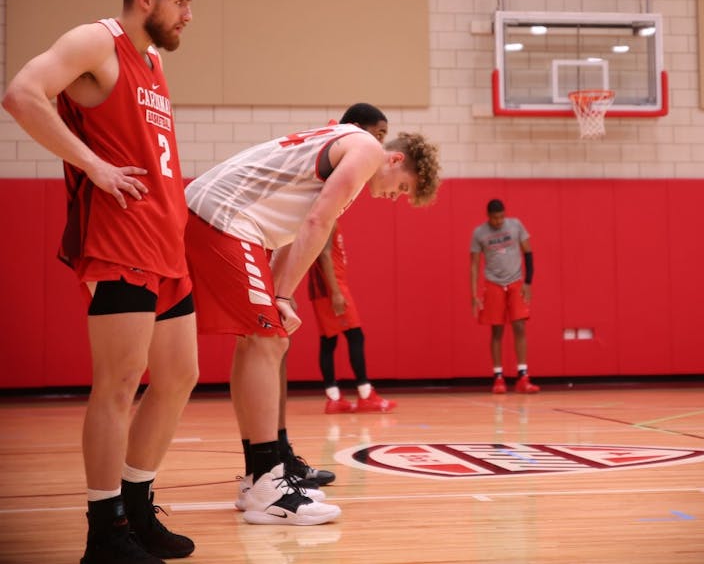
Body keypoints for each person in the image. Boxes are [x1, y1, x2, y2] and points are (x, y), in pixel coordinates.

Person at [2, 0, 200, 564]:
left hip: (166, 240)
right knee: (117, 383)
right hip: (121, 241)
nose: (188, 15)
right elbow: (21, 93)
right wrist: (92, 164)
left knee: (178, 377)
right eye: (181, 1)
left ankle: (137, 510)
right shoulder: (97, 40)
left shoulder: (151, 61)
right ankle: (104, 531)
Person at [184, 123, 440, 525]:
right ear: (395, 159)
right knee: (267, 341)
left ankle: (258, 478)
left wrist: (279, 293)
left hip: (222, 214)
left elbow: (293, 234)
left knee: (263, 341)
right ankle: (269, 485)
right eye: (404, 187)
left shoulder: (351, 151)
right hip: (225, 215)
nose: (396, 197)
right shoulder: (367, 151)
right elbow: (317, 224)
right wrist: (281, 296)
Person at [308, 103, 396, 414]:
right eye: (379, 134)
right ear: (358, 129)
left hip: (329, 284)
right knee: (354, 335)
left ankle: (334, 398)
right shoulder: (333, 183)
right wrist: (334, 290)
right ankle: (364, 393)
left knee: (330, 341)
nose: (381, 143)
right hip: (330, 285)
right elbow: (321, 251)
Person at [470, 199, 539, 394]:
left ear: (505, 214)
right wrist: (474, 293)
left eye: (501, 217)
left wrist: (528, 282)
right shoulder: (479, 233)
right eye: (494, 218)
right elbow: (474, 264)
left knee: (519, 325)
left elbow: (528, 253)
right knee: (497, 330)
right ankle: (498, 377)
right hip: (493, 283)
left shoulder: (515, 225)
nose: (498, 221)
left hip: (516, 281)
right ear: (488, 216)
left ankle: (523, 375)